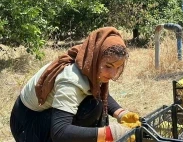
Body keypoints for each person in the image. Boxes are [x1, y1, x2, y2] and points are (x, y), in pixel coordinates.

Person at [10, 27, 141, 142]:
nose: (112, 74)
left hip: (40, 117)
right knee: (90, 107)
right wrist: (109, 134)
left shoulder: (87, 61)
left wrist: (121, 113)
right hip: (27, 127)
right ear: (96, 57)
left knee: (93, 103)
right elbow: (59, 131)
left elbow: (96, 91)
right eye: (108, 66)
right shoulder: (71, 79)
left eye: (117, 67)